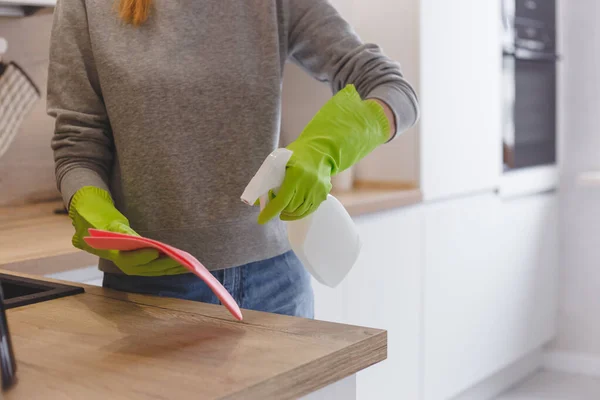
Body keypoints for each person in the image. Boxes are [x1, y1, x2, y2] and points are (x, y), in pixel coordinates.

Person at [47, 0, 419, 319]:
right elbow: (77, 144)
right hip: (149, 293)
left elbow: (392, 89)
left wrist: (327, 148)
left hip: (278, 287)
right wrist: (91, 209)